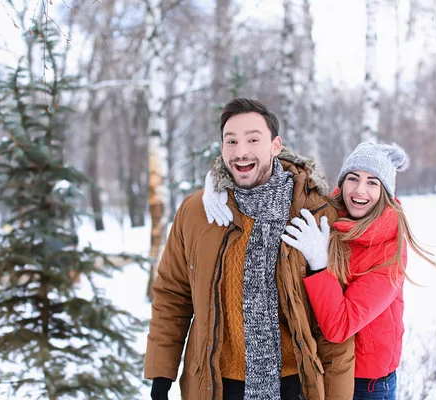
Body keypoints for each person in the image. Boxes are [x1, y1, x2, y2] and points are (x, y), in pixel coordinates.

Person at [144, 97, 355, 400]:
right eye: (231, 141)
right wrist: (161, 375)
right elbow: (172, 297)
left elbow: (334, 324)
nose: (241, 151)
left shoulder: (315, 213)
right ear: (222, 149)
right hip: (214, 386)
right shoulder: (196, 213)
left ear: (275, 145)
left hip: (294, 385)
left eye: (253, 139)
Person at [279, 142, 436, 400]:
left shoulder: (390, 249)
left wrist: (320, 263)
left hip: (367, 384)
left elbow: (339, 326)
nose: (360, 190)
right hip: (319, 368)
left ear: (385, 192)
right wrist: (219, 185)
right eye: (353, 178)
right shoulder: (328, 219)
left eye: (372, 182)